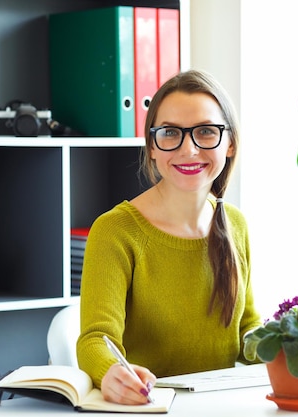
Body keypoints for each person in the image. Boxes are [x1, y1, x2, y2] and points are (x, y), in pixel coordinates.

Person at [76, 69, 262, 405]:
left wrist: (293, 343)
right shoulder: (115, 231)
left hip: (221, 407)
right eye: (170, 133)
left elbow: (248, 330)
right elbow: (95, 340)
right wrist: (110, 372)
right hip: (149, 407)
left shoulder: (235, 224)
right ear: (151, 146)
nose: (189, 149)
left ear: (230, 143)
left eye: (206, 132)